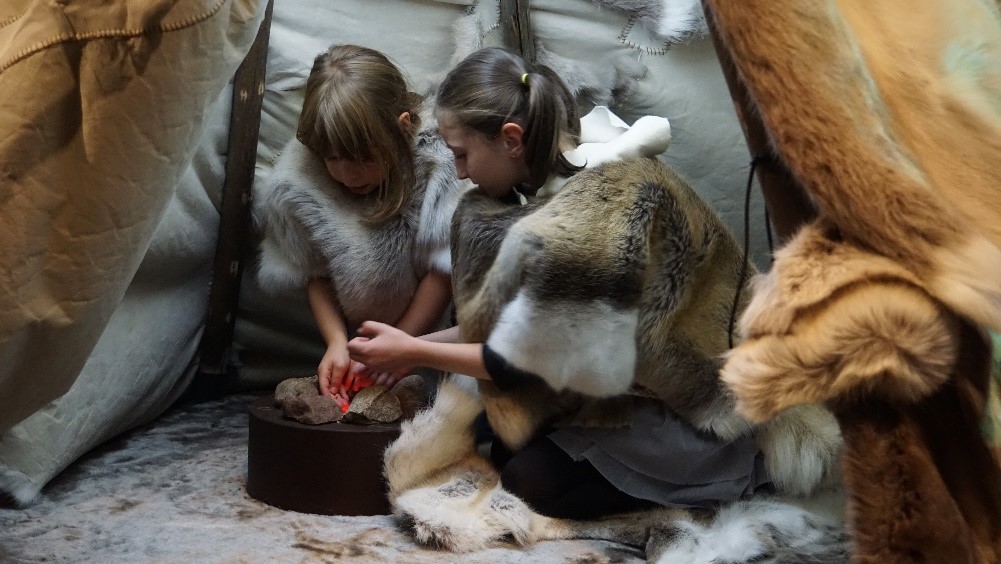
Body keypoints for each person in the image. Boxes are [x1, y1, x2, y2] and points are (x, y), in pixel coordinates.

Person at [347, 47, 769, 520]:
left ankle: (724, 477)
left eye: (462, 154)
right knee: (498, 437)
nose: (460, 172)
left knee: (524, 481)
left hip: (702, 405)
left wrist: (412, 353)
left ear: (511, 139)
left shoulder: (594, 215)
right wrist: (405, 344)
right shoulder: (548, 181)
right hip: (616, 385)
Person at [254, 44, 462, 408]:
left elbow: (441, 271)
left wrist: (405, 345)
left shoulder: (437, 164)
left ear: (402, 127)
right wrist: (337, 342)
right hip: (366, 344)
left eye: (364, 158)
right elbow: (312, 271)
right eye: (333, 158)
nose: (348, 175)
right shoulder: (301, 180)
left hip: (438, 342)